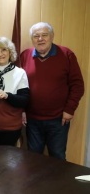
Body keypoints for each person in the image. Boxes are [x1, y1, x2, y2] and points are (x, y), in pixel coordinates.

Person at [20, 22, 84, 160]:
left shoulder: (67, 54)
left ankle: (59, 183)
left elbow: (77, 85)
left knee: (58, 157)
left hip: (58, 119)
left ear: (52, 36)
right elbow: (19, 86)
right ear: (32, 39)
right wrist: (22, 110)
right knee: (33, 158)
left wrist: (69, 109)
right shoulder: (25, 55)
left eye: (44, 35)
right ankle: (34, 183)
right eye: (36, 36)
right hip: (32, 120)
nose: (40, 39)